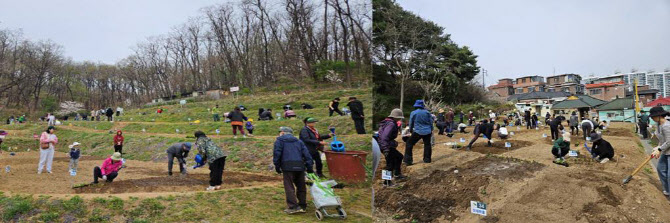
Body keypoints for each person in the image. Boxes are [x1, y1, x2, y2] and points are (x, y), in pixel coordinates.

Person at [273, 126, 314, 214]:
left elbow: (277, 153)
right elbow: (307, 154)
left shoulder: (279, 141)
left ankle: (293, 206)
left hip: (287, 166)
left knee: (289, 186)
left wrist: (277, 166)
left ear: (283, 133)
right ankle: (302, 205)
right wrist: (309, 167)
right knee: (301, 186)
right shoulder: (299, 141)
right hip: (300, 165)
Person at [378, 109, 406, 186]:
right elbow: (384, 137)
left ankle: (397, 174)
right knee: (390, 163)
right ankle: (386, 182)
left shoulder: (387, 122)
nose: (400, 119)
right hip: (386, 145)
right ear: (396, 117)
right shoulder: (391, 124)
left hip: (385, 144)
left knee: (399, 157)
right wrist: (386, 149)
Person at [404, 100, 433, 165]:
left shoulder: (414, 113)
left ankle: (408, 161)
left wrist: (410, 130)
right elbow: (431, 122)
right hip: (428, 131)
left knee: (409, 143)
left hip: (418, 131)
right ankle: (427, 159)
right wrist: (431, 130)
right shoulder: (428, 113)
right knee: (427, 144)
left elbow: (411, 123)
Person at [649, 106, 670, 197]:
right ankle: (667, 190)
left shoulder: (667, 126)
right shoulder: (659, 125)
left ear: (660, 115)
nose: (652, 118)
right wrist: (658, 147)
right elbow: (662, 140)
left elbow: (669, 141)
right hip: (666, 152)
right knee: (660, 169)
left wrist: (660, 149)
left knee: (669, 175)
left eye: (653, 116)